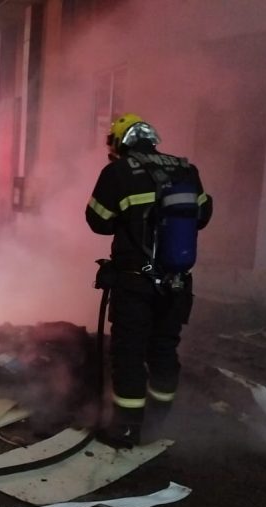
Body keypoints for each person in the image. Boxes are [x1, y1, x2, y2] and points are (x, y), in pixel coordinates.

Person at [86, 113, 213, 446]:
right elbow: (203, 215)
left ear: (118, 143)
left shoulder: (118, 172)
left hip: (135, 283)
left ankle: (126, 428)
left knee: (128, 354)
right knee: (163, 351)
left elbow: (97, 221)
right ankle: (159, 424)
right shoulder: (186, 169)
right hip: (177, 283)